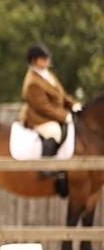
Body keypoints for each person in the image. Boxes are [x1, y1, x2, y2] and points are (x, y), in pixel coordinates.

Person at [19, 44, 81, 186]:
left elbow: (60, 94)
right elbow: (43, 107)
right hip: (39, 118)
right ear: (34, 60)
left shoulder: (47, 74)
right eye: (43, 58)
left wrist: (72, 104)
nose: (47, 60)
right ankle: (46, 166)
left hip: (53, 113)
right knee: (54, 131)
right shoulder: (32, 82)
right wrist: (64, 116)